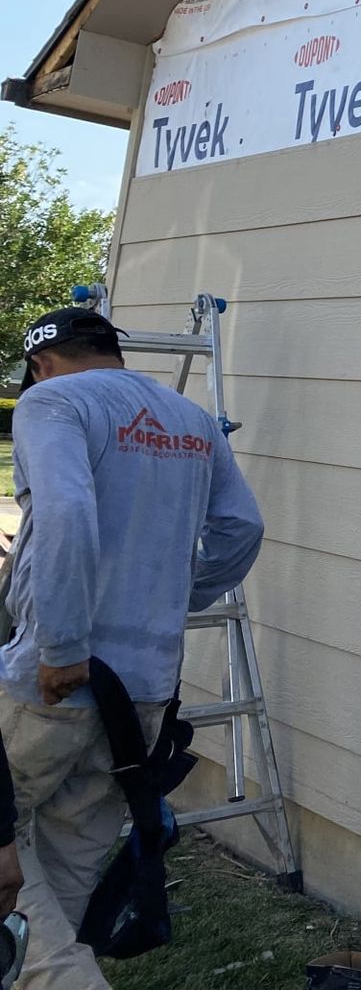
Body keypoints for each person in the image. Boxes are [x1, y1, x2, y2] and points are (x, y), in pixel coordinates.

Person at [3, 307, 264, 989]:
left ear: (41, 364)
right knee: (59, 881)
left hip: (54, 681)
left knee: (9, 867)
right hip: (143, 694)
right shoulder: (192, 420)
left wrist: (61, 644)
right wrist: (179, 596)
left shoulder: (52, 402)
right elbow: (241, 529)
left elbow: (64, 511)